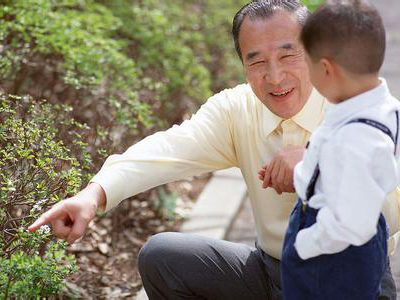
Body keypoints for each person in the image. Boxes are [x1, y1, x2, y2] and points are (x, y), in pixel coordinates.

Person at [28, 1, 399, 299]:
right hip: (270, 272)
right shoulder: (237, 109)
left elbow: (389, 211)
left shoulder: (359, 111)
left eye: (289, 55)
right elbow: (168, 148)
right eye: (256, 60)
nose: (274, 76)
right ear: (242, 63)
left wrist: (319, 167)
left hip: (349, 282)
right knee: (163, 259)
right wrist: (94, 194)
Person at [276, 0, 400, 299]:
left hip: (333, 252)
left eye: (307, 63)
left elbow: (352, 225)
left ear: (327, 69)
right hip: (349, 237)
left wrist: (307, 243)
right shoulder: (383, 106)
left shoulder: (354, 139)